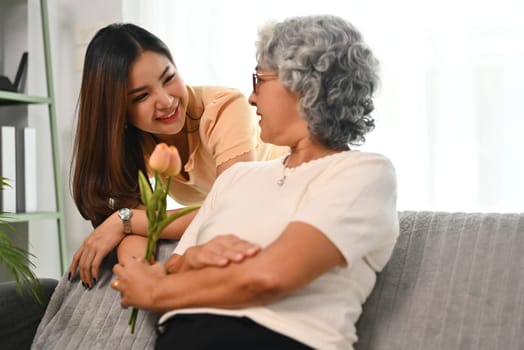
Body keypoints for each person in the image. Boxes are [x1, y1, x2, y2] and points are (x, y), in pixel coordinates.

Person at [112, 14, 399, 350]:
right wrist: (193, 258)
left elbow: (270, 277)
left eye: (259, 79)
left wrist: (156, 291)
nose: (250, 97)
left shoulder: (363, 173)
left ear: (304, 86)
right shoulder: (236, 178)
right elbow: (174, 265)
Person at [68, 23, 287, 289]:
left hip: (284, 204)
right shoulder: (133, 141)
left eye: (168, 78)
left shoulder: (224, 108)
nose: (166, 100)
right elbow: (134, 228)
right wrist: (138, 271)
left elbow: (230, 210)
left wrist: (123, 220)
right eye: (141, 96)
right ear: (118, 111)